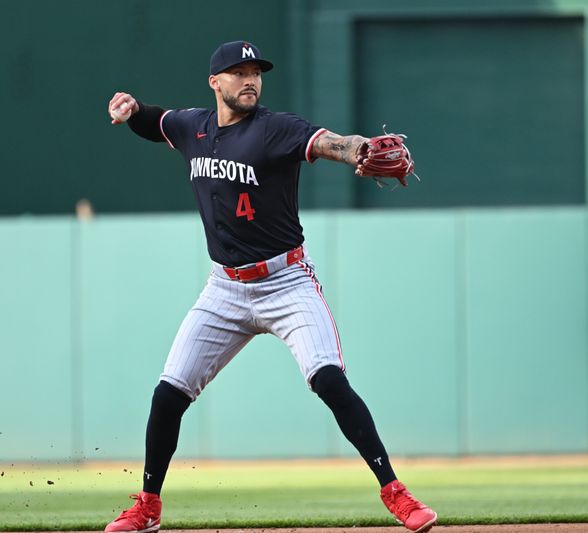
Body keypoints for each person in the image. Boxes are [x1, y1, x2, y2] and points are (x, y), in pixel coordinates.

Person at [104, 40, 437, 533]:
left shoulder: (276, 129)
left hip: (285, 282)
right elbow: (156, 122)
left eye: (256, 71)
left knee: (329, 380)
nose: (250, 79)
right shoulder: (192, 127)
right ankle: (147, 506)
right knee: (168, 394)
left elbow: (330, 142)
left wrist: (360, 150)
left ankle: (397, 494)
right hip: (224, 289)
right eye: (238, 72)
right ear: (216, 82)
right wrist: (130, 109)